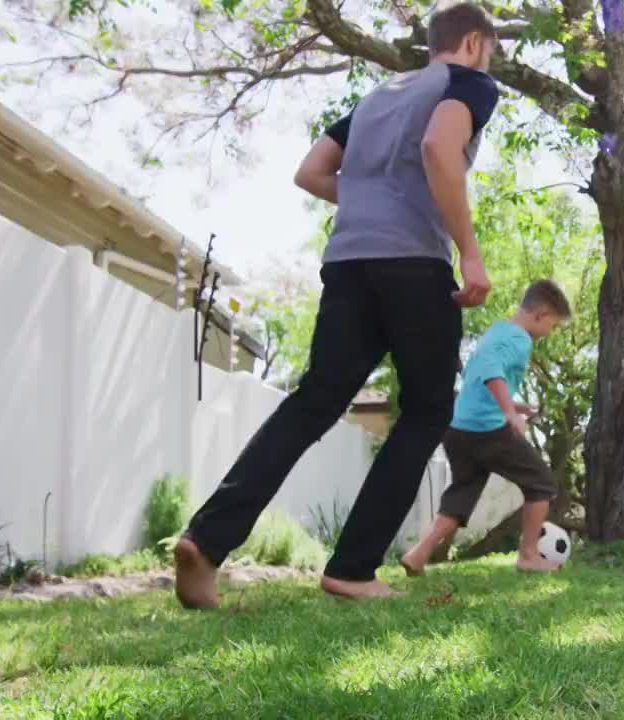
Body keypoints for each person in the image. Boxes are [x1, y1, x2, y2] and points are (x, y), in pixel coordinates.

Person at [174, 2, 501, 608]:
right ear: (476, 43)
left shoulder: (381, 96)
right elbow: (439, 147)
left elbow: (312, 171)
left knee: (315, 402)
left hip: (349, 261)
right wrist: (470, 253)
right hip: (414, 265)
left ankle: (207, 540)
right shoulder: (469, 83)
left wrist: (372, 203)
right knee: (428, 410)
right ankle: (352, 567)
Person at [401, 280, 572, 575]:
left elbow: (475, 374)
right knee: (541, 484)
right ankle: (529, 555)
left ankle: (418, 554)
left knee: (461, 494)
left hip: (458, 429)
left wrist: (514, 406)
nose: (550, 332)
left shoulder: (497, 331)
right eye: (553, 326)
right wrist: (508, 412)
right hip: (487, 430)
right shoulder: (520, 339)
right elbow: (491, 368)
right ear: (541, 314)